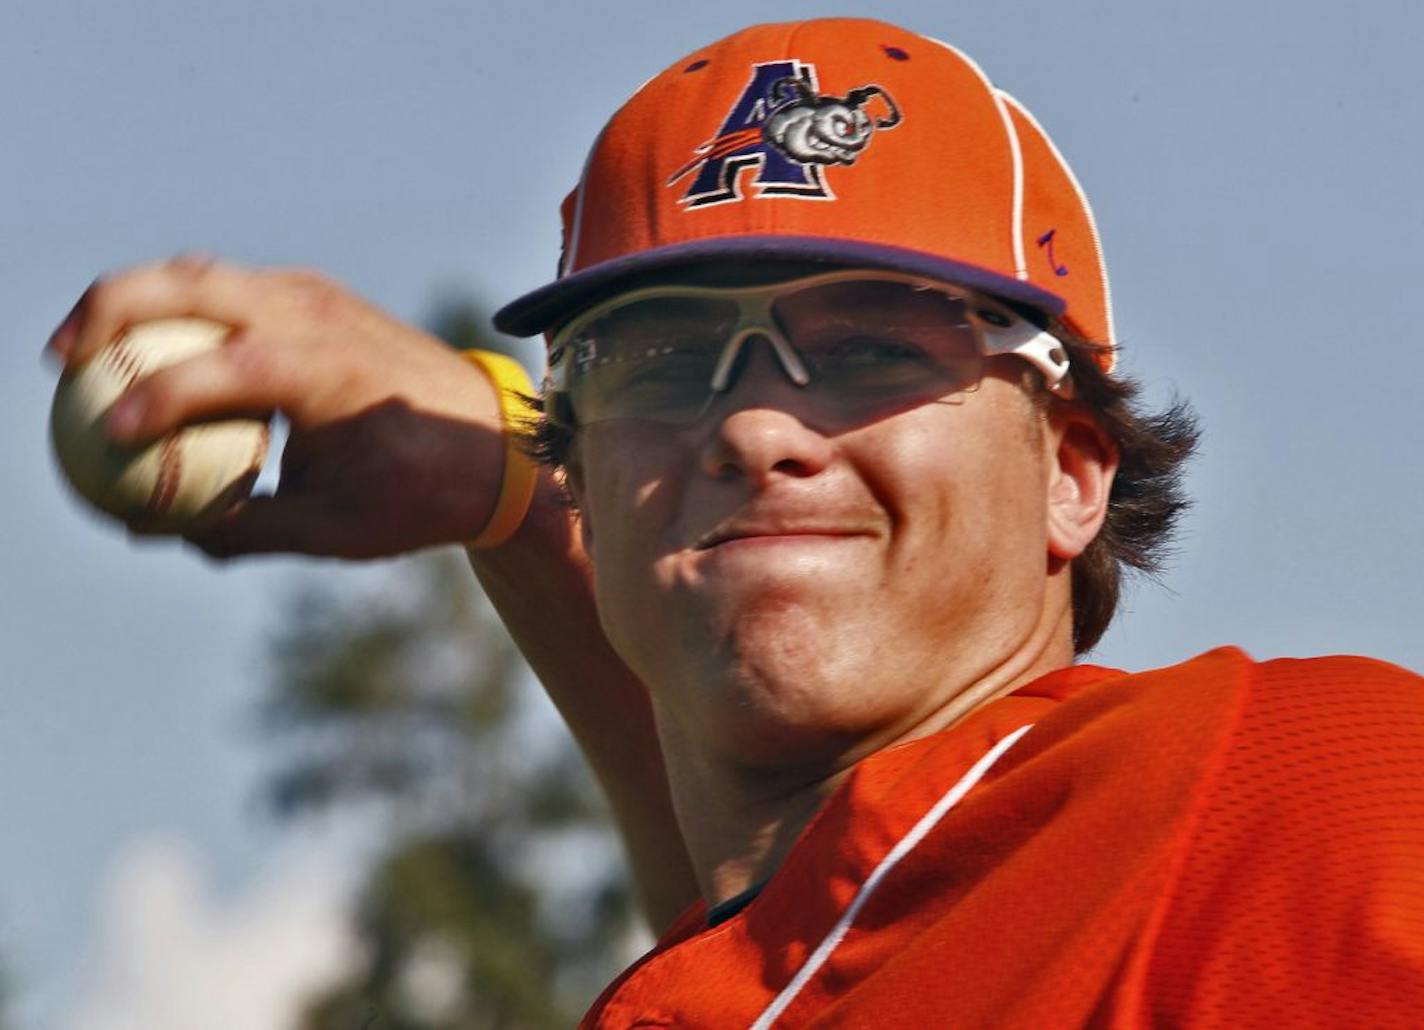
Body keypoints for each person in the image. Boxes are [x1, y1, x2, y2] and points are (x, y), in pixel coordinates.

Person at [46, 17, 1424, 1027]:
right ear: (582, 466)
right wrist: (507, 488)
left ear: (1072, 470)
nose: (756, 425)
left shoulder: (1302, 797)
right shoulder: (758, 969)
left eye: (880, 346)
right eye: (656, 356)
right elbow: (785, 931)